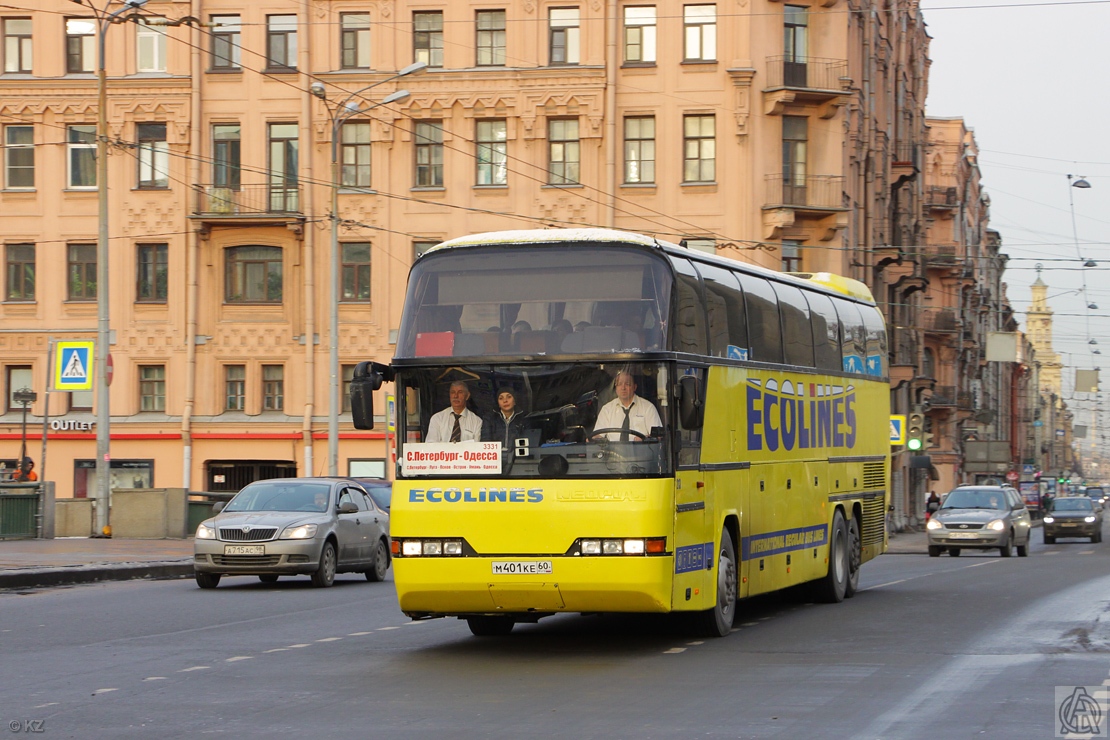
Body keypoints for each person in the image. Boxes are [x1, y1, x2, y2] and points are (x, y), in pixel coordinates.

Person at [592, 370, 662, 441]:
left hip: (640, 451)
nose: (623, 388)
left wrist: (644, 440)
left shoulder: (648, 408)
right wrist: (593, 439)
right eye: (619, 384)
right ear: (616, 388)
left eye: (627, 384)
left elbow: (658, 436)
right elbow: (598, 435)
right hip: (613, 451)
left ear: (634, 387)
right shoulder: (607, 409)